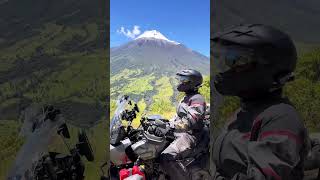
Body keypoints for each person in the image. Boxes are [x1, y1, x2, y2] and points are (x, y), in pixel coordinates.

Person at [211, 24, 310, 180]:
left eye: (239, 60)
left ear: (267, 69)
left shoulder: (281, 118)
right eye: (229, 59)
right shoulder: (245, 112)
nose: (229, 69)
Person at [154, 69, 207, 179]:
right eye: (180, 79)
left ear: (191, 83)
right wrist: (164, 123)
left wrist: (170, 126)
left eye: (183, 80)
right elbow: (179, 117)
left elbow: (192, 121)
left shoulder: (197, 98)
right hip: (181, 132)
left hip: (192, 135)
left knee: (167, 157)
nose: (180, 82)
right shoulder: (186, 98)